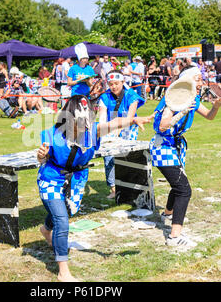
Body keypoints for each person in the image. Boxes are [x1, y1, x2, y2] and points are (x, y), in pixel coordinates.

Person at [36, 94, 153, 281]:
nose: (84, 123)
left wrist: (133, 119)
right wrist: (41, 155)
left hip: (76, 178)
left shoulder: (93, 131)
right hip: (52, 178)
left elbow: (115, 123)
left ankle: (46, 229)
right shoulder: (51, 134)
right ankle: (63, 272)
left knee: (65, 211)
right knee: (63, 221)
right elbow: (42, 159)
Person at [150, 66, 221, 247]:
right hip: (163, 147)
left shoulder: (192, 97)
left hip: (175, 147)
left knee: (178, 185)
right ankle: (174, 237)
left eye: (201, 79)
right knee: (184, 189)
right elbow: (162, 126)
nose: (201, 83)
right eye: (198, 79)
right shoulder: (173, 100)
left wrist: (215, 107)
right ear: (187, 81)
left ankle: (167, 214)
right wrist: (182, 111)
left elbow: (209, 116)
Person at [99, 70, 145, 198]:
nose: (113, 87)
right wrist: (104, 130)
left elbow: (130, 118)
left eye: (116, 83)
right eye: (111, 84)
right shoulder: (104, 97)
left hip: (128, 127)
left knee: (126, 156)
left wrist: (118, 128)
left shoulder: (131, 95)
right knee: (108, 157)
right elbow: (102, 117)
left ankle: (130, 187)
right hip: (110, 127)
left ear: (123, 82)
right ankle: (114, 189)